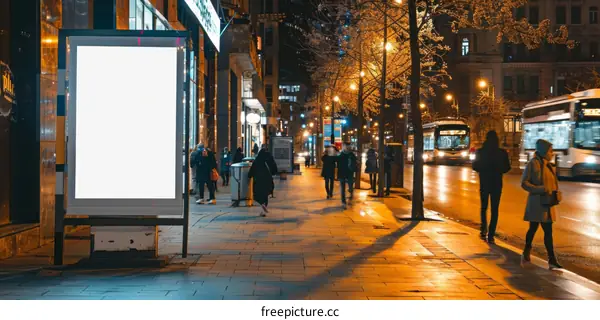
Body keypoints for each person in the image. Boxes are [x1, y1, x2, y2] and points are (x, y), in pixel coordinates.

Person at [520, 139, 562, 269]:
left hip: (547, 204)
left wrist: (556, 194)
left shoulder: (549, 165)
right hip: (537, 204)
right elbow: (524, 183)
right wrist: (539, 189)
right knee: (533, 229)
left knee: (548, 232)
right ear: (544, 151)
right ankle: (527, 250)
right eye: (550, 151)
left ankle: (552, 259)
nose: (552, 153)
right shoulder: (533, 164)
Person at [472, 130, 511, 244]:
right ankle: (491, 234)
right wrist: (498, 170)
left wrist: (483, 170)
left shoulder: (481, 152)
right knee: (495, 209)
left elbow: (475, 166)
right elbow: (507, 168)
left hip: (484, 182)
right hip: (497, 183)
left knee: (484, 207)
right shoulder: (502, 153)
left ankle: (483, 230)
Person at [249, 146, 278, 216]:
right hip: (268, 180)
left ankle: (262, 204)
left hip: (258, 180)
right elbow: (274, 168)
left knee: (257, 194)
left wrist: (249, 176)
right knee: (265, 195)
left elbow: (252, 170)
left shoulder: (257, 160)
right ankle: (263, 210)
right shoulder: (269, 158)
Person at [337, 142, 358, 209]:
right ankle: (343, 202)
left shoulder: (351, 155)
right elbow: (338, 165)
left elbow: (355, 163)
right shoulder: (341, 155)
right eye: (346, 146)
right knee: (342, 189)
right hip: (342, 174)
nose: (347, 148)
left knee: (350, 187)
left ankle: (351, 196)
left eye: (348, 146)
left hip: (349, 174)